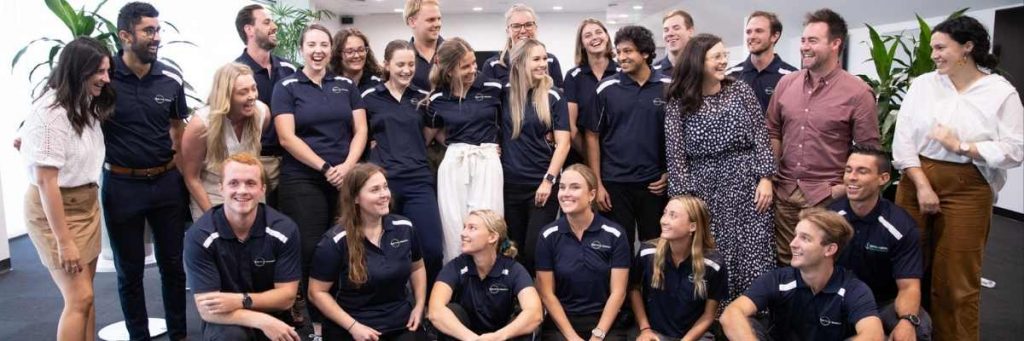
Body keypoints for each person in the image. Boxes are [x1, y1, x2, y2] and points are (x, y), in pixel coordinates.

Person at [891, 15, 1023, 341]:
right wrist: (921, 184)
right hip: (915, 180)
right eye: (932, 48)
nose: (934, 54)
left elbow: (1015, 150)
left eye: (940, 47)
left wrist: (961, 146)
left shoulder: (999, 93)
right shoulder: (923, 84)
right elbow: (903, 140)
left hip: (968, 189)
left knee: (956, 278)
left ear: (968, 47)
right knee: (909, 267)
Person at [664, 33, 776, 302]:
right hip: (703, 189)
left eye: (724, 55)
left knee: (753, 249)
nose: (724, 61)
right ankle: (713, 317)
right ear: (698, 61)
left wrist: (766, 178)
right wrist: (684, 202)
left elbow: (761, 135)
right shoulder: (678, 101)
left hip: (747, 185)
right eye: (717, 56)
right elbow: (675, 154)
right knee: (712, 250)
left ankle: (753, 313)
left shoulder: (740, 89)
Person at [272, 24, 368, 334]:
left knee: (346, 245)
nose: (318, 50)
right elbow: (287, 138)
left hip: (344, 178)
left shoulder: (345, 85)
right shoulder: (286, 86)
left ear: (331, 49)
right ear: (301, 49)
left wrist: (346, 167)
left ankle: (344, 313)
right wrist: (326, 168)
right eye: (312, 44)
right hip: (303, 179)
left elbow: (361, 131)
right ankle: (316, 323)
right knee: (312, 249)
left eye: (324, 44)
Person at [103, 3, 189, 339]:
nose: (156, 37)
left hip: (166, 182)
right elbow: (64, 99)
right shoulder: (103, 76)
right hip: (122, 185)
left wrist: (179, 173)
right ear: (125, 36)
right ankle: (138, 335)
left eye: (157, 30)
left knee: (172, 266)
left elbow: (177, 128)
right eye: (148, 31)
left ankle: (179, 334)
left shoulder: (171, 77)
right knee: (130, 271)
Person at [767, 8, 879, 266]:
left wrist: (840, 189)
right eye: (803, 40)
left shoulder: (858, 93)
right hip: (784, 191)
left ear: (835, 44)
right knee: (786, 262)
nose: (804, 47)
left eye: (813, 41)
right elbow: (772, 130)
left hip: (825, 196)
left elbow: (868, 151)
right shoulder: (787, 84)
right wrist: (770, 176)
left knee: (823, 265)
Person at [19, 36, 114, 341]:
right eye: (99, 71)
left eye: (107, 70)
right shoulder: (49, 113)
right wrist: (64, 241)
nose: (106, 78)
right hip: (55, 210)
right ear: (78, 70)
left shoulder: (83, 102)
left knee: (87, 297)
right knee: (79, 298)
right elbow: (47, 182)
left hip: (86, 203)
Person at [184, 153, 302, 341]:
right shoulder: (199, 236)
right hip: (227, 321)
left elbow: (286, 298)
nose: (242, 190)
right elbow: (208, 311)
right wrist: (262, 321)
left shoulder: (284, 229)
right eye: (233, 183)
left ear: (263, 189)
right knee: (231, 337)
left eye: (250, 183)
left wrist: (239, 300)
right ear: (221, 188)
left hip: (275, 316)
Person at [721, 208, 884, 340]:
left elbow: (874, 335)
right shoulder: (778, 279)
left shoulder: (853, 289)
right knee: (747, 325)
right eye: (795, 235)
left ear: (829, 249)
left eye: (805, 238)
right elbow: (731, 314)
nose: (793, 244)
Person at [309, 163, 427, 341]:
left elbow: (417, 268)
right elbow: (316, 292)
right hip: (354, 328)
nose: (384, 195)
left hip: (400, 324)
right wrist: (353, 327)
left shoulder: (404, 227)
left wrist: (419, 305)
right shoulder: (334, 241)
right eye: (375, 190)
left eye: (385, 187)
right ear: (356, 198)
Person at [361, 39, 444, 286]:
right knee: (385, 249)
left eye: (411, 64)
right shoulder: (369, 97)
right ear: (386, 65)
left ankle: (430, 307)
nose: (407, 70)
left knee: (431, 249)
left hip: (419, 181)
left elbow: (429, 136)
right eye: (400, 64)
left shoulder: (422, 98)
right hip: (385, 184)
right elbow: (361, 135)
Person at [831, 146, 932, 340]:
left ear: (883, 179)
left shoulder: (901, 226)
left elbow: (909, 286)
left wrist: (907, 320)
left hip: (882, 302)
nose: (851, 177)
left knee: (917, 329)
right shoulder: (830, 218)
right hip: (837, 296)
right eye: (848, 170)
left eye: (862, 171)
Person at [584, 25, 669, 246]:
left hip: (653, 184)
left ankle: (651, 283)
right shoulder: (606, 89)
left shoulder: (668, 87)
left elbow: (678, 135)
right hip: (614, 184)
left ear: (645, 53)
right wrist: (597, 184)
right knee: (619, 247)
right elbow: (592, 136)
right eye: (619, 52)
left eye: (628, 51)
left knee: (655, 248)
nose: (621, 57)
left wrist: (668, 173)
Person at [423, 38, 505, 262]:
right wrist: (452, 143)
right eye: (465, 66)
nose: (473, 70)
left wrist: (498, 146)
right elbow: (428, 135)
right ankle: (455, 283)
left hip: (486, 159)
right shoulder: (438, 98)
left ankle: (490, 281)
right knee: (453, 224)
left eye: (473, 63)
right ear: (449, 71)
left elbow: (509, 123)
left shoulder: (493, 87)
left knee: (488, 222)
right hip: (455, 162)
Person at [535, 164, 630, 340]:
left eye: (575, 187)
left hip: (605, 322)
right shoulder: (547, 236)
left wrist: (598, 334)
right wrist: (572, 337)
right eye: (562, 187)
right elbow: (546, 294)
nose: (566, 193)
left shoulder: (615, 234)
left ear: (591, 195)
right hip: (562, 323)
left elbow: (619, 292)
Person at [500, 38, 571, 273]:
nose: (544, 64)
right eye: (537, 59)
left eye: (545, 58)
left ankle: (542, 301)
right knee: (513, 249)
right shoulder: (504, 94)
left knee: (535, 248)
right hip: (509, 185)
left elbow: (563, 143)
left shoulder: (554, 96)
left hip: (541, 186)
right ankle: (521, 302)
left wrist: (548, 181)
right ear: (520, 63)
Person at [427, 210, 543, 340]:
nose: (463, 233)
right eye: (464, 227)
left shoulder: (513, 269)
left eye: (472, 228)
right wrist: (473, 339)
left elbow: (535, 313)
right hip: (465, 337)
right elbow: (435, 311)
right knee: (451, 311)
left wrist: (497, 337)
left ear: (492, 237)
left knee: (525, 325)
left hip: (500, 337)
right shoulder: (456, 266)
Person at [629, 195, 727, 341]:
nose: (664, 220)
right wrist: (645, 329)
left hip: (694, 336)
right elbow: (633, 288)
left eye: (673, 216)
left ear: (692, 226)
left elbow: (709, 315)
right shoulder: (647, 252)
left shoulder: (713, 264)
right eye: (665, 213)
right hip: (653, 333)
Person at [181, 63, 270, 221]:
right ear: (226, 96)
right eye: (243, 92)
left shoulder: (262, 113)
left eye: (253, 88)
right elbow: (191, 177)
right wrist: (214, 217)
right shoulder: (201, 125)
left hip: (250, 190)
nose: (252, 96)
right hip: (212, 194)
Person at [234, 4, 297, 205]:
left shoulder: (289, 69)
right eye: (267, 22)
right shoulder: (236, 73)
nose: (275, 26)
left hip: (291, 161)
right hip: (256, 159)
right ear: (249, 29)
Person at [563, 18, 617, 165]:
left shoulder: (622, 74)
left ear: (607, 36)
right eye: (588, 35)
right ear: (581, 44)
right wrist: (593, 161)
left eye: (599, 32)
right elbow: (571, 128)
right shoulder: (573, 77)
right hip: (581, 158)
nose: (594, 37)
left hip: (618, 162)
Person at [726, 11, 798, 110]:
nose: (752, 36)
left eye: (759, 31)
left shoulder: (792, 77)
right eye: (748, 32)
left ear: (775, 36)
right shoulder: (730, 76)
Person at [480, 4, 564, 88]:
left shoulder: (550, 61)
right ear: (508, 31)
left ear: (535, 28)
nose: (523, 31)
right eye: (516, 26)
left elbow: (559, 97)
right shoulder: (493, 65)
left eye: (528, 25)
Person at [405, 0, 443, 90]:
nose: (437, 24)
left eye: (439, 19)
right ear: (412, 22)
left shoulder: (454, 53)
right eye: (431, 20)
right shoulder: (402, 58)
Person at [331, 28, 384, 92]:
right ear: (338, 54)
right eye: (349, 51)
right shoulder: (330, 83)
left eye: (361, 50)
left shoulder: (378, 84)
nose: (357, 55)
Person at [653, 10, 695, 75]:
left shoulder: (703, 68)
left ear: (690, 31)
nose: (670, 34)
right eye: (666, 30)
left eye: (676, 28)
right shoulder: (653, 72)